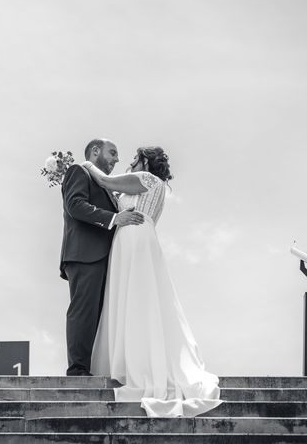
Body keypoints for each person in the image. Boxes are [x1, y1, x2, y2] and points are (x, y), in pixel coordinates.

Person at [80, 146, 224, 417]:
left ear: (145, 161)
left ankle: (140, 366)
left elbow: (106, 181)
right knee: (137, 299)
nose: (130, 163)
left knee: (136, 297)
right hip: (133, 238)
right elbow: (114, 193)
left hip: (134, 237)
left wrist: (87, 165)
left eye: (134, 159)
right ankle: (133, 360)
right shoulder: (148, 187)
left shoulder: (147, 179)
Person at [60, 138, 145, 376]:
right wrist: (114, 218)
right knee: (84, 311)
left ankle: (96, 367)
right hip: (85, 254)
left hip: (107, 258)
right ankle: (78, 370)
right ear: (95, 151)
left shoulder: (106, 186)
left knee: (102, 316)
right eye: (113, 152)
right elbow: (75, 205)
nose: (117, 159)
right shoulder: (78, 171)